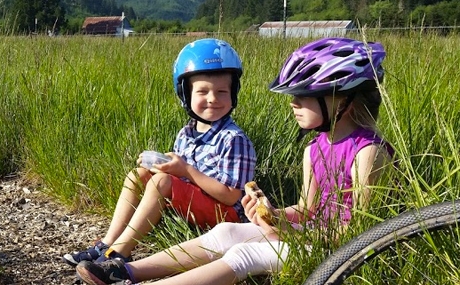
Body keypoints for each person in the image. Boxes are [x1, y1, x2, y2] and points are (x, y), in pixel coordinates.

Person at [74, 37, 395, 285]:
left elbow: (362, 232)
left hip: (338, 250)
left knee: (244, 254)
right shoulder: (315, 149)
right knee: (227, 232)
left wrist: (286, 228)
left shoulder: (368, 154)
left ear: (342, 99)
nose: (294, 104)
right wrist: (272, 214)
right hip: (309, 232)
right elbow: (307, 209)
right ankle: (124, 270)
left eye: (303, 95)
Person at [63, 38, 257, 266]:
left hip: (226, 215)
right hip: (196, 203)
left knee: (162, 182)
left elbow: (231, 195)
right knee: (139, 175)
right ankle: (108, 242)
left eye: (222, 91)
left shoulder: (234, 139)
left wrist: (184, 169)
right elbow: (179, 177)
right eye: (202, 91)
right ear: (186, 94)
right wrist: (161, 165)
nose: (213, 98)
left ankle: (120, 253)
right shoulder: (187, 133)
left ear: (233, 93)